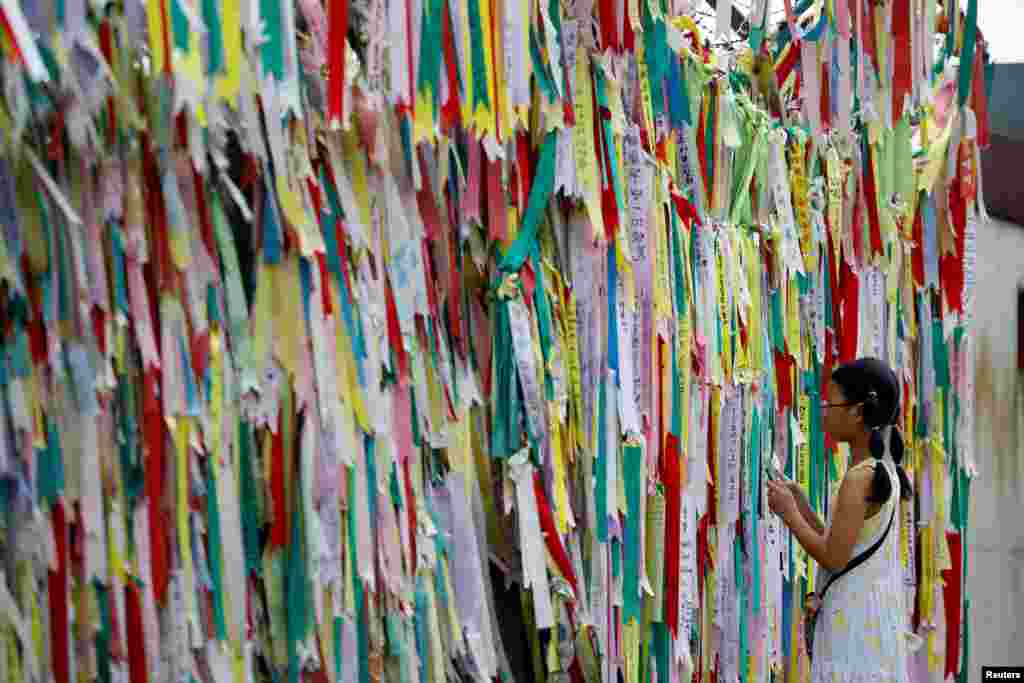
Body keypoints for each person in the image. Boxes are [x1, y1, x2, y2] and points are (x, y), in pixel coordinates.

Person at [767, 358, 917, 682]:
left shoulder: (860, 477)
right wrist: (803, 507)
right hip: (868, 617)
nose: (823, 411)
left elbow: (833, 557)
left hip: (852, 620)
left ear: (858, 411)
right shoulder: (879, 470)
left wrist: (789, 514)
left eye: (830, 403)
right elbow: (842, 544)